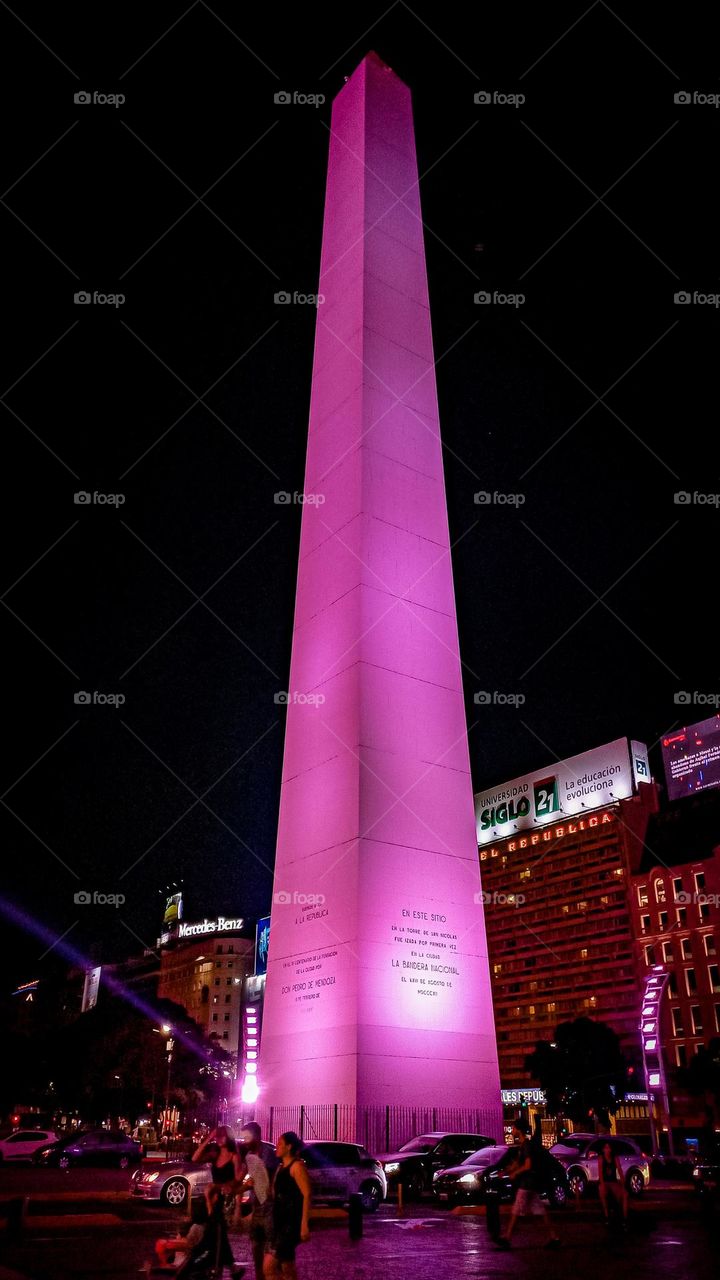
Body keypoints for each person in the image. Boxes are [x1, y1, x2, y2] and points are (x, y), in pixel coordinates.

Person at [495, 1120, 560, 1251]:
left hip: (527, 1183)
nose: (511, 1131)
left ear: (518, 1129)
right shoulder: (523, 1146)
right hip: (531, 1183)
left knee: (516, 1210)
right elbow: (518, 1163)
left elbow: (527, 1165)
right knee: (540, 1212)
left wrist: (515, 1173)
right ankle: (554, 1238)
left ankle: (507, 1238)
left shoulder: (526, 1146)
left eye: (513, 1128)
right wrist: (506, 1171)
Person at [263, 1132, 312, 1280]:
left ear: (289, 1146)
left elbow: (307, 1194)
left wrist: (304, 1224)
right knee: (286, 1267)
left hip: (291, 1224)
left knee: (269, 1266)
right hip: (279, 1222)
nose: (276, 1147)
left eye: (279, 1144)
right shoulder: (280, 1168)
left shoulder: (296, 1167)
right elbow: (273, 1193)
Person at [237, 1123, 275, 1280]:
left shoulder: (269, 1154)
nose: (244, 1141)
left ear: (256, 1136)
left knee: (269, 1250)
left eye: (247, 1137)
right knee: (255, 1247)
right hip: (256, 1207)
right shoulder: (248, 1154)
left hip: (269, 1208)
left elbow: (271, 1179)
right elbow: (242, 1177)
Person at [193, 1126, 245, 1213]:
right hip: (214, 1198)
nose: (219, 1138)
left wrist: (219, 1186)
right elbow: (194, 1158)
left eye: (222, 1135)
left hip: (226, 1197)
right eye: (217, 1136)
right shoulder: (215, 1154)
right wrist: (209, 1138)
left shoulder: (234, 1156)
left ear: (229, 1137)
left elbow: (237, 1180)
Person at [153, 1196, 208, 1269]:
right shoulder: (203, 1227)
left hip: (184, 1265)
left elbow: (189, 1244)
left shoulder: (196, 1228)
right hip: (187, 1260)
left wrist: (167, 1244)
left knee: (160, 1244)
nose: (185, 1218)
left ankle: (165, 1266)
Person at [598, 1140, 628, 1227]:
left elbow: (619, 1170)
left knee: (625, 1194)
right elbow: (600, 1172)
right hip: (605, 1182)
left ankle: (625, 1218)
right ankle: (606, 1215)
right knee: (602, 1192)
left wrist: (623, 1183)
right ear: (603, 1150)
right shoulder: (601, 1158)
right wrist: (602, 1184)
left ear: (611, 1149)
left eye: (608, 1148)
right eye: (605, 1148)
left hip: (613, 1182)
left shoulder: (615, 1158)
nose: (607, 1149)